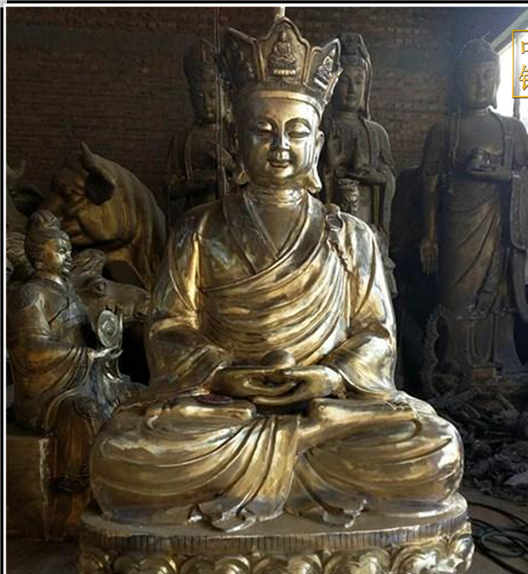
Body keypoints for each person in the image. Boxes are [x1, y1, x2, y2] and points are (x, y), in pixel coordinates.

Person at [90, 17, 463, 532]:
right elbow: (169, 328)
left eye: (297, 131)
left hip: (325, 406)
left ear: (318, 142)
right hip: (226, 407)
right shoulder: (199, 228)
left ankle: (293, 448)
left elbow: (376, 334)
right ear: (236, 138)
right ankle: (298, 452)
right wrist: (223, 374)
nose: (280, 145)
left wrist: (331, 376)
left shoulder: (352, 235)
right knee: (122, 454)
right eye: (262, 131)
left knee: (437, 447)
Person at [420, 38, 528, 391]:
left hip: (499, 226)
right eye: (473, 77)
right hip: (456, 227)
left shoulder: (512, 130)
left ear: (498, 81)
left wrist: (501, 175)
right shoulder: (444, 130)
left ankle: (496, 362)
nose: (481, 84)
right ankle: (452, 363)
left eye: (488, 76)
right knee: (455, 297)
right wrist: (429, 236)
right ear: (458, 82)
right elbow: (428, 184)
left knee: (495, 297)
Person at [7, 211, 129, 493]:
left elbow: (86, 335)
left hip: (87, 379)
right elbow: (29, 350)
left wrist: (107, 336)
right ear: (39, 257)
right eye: (61, 250)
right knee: (85, 412)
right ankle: (81, 483)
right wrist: (87, 355)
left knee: (132, 396)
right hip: (50, 392)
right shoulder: (30, 295)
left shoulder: (69, 292)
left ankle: (130, 471)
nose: (69, 257)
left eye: (69, 250)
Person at [321, 32, 397, 295]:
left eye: (359, 81)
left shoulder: (376, 133)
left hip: (367, 225)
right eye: (344, 81)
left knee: (366, 290)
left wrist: (375, 177)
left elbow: (389, 179)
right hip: (328, 228)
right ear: (332, 84)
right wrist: (329, 166)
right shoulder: (320, 128)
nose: (352, 90)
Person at [164, 39, 234, 223]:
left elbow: (256, 180)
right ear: (191, 98)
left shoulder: (237, 135)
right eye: (199, 97)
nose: (206, 103)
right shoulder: (183, 139)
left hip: (231, 218)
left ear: (225, 95)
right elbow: (169, 188)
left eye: (212, 96)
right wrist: (191, 184)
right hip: (195, 216)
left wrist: (229, 165)